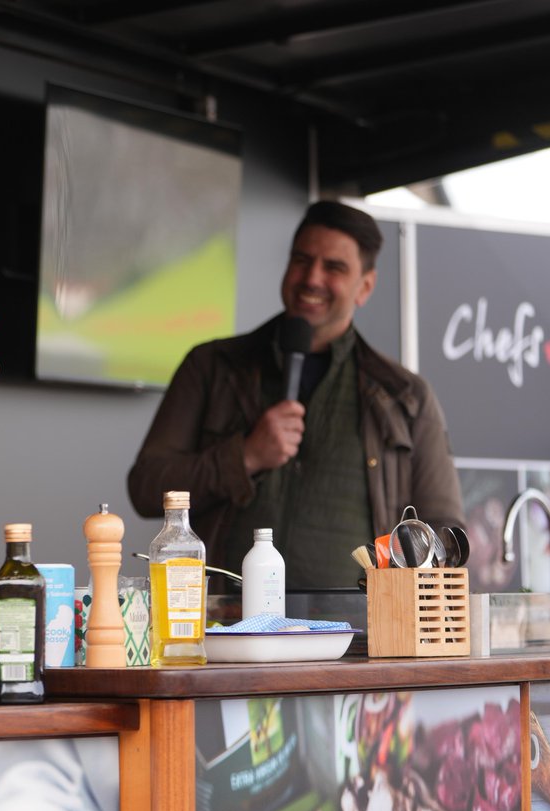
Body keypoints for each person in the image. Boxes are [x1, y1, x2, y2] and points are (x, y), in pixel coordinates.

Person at [127, 200, 464, 587]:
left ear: (365, 286)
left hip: (358, 638)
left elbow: (444, 531)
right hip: (224, 626)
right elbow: (146, 487)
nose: (312, 278)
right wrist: (246, 456)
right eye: (302, 260)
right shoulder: (213, 365)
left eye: (334, 267)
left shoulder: (405, 396)